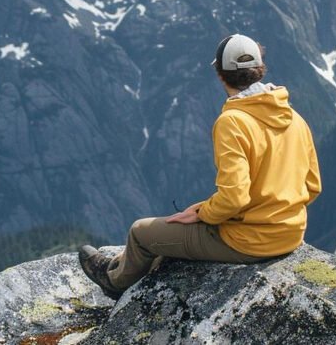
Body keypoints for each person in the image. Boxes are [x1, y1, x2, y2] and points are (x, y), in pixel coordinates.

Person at [78, 34, 322, 299]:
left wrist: (205, 214)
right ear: (260, 70)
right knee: (177, 230)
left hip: (248, 242)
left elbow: (235, 197)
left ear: (220, 74)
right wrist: (270, 213)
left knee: (140, 232)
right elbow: (312, 186)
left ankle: (113, 280)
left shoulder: (234, 122)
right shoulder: (293, 117)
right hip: (291, 235)